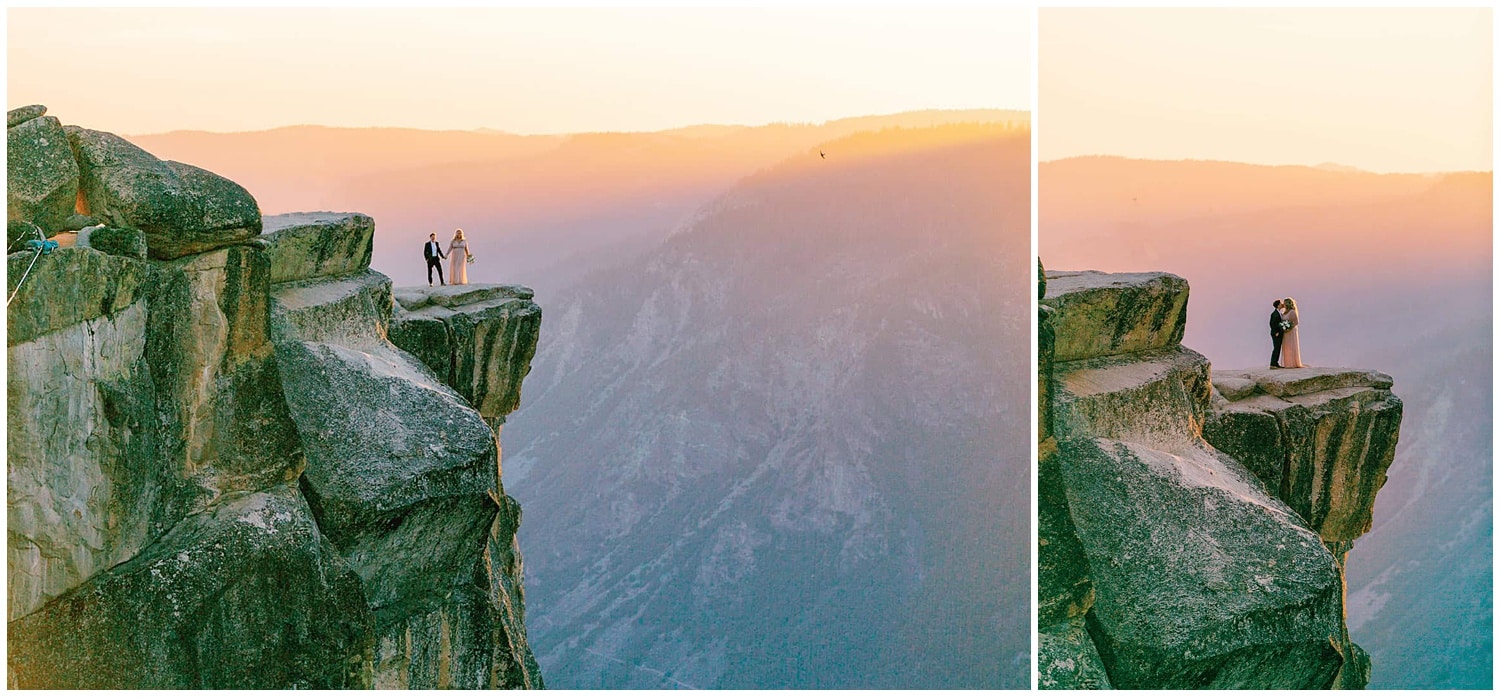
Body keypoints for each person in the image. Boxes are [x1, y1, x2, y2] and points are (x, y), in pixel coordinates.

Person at [1279, 297, 1304, 368]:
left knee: (1291, 346)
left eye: (1285, 303)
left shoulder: (1292, 312)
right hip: (1286, 332)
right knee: (1286, 347)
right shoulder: (1284, 312)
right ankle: (1287, 363)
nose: (1284, 305)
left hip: (1291, 332)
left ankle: (1293, 363)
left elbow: (1296, 322)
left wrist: (1289, 327)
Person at [1268, 299, 1286, 369]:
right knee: (1276, 348)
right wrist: (1276, 332)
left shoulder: (1278, 313)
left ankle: (1275, 363)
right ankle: (1273, 363)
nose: (1282, 304)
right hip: (1276, 334)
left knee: (1278, 348)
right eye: (1281, 303)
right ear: (1278, 305)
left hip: (1278, 333)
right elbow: (1272, 324)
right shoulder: (1274, 314)